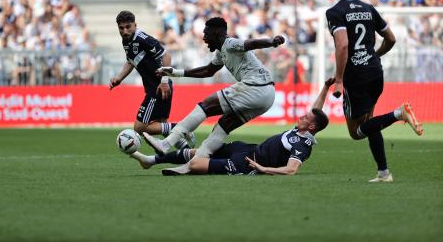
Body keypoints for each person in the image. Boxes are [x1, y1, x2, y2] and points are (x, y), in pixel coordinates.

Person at [143, 17, 285, 174]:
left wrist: (271, 42)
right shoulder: (221, 52)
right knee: (223, 126)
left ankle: (167, 143)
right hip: (267, 96)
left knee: (205, 105)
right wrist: (175, 72)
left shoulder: (230, 43)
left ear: (217, 33)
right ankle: (192, 166)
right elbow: (207, 71)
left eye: (206, 33)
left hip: (256, 87)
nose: (204, 38)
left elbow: (251, 43)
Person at [326, 0, 423, 183]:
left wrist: (339, 80)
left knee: (356, 132)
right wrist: (375, 55)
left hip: (355, 77)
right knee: (371, 122)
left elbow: (342, 46)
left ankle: (399, 114)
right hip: (374, 72)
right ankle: (383, 173)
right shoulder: (369, 8)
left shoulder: (334, 12)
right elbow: (391, 38)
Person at [131, 79, 334, 176]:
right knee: (197, 151)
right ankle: (151, 160)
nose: (301, 116)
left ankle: (182, 167)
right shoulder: (306, 126)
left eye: (306, 117)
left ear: (313, 126)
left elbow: (291, 170)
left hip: (247, 165)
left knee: (195, 164)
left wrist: (263, 169)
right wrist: (325, 87)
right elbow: (316, 110)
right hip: (248, 149)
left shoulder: (303, 144)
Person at [109, 11, 194, 149]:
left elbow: (166, 55)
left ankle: (182, 127)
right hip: (158, 86)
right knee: (162, 125)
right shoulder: (126, 40)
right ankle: (187, 152)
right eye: (121, 28)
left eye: (128, 27)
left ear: (135, 25)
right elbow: (131, 61)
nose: (125, 31)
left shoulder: (143, 39)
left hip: (158, 87)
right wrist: (119, 78)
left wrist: (164, 82)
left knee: (139, 128)